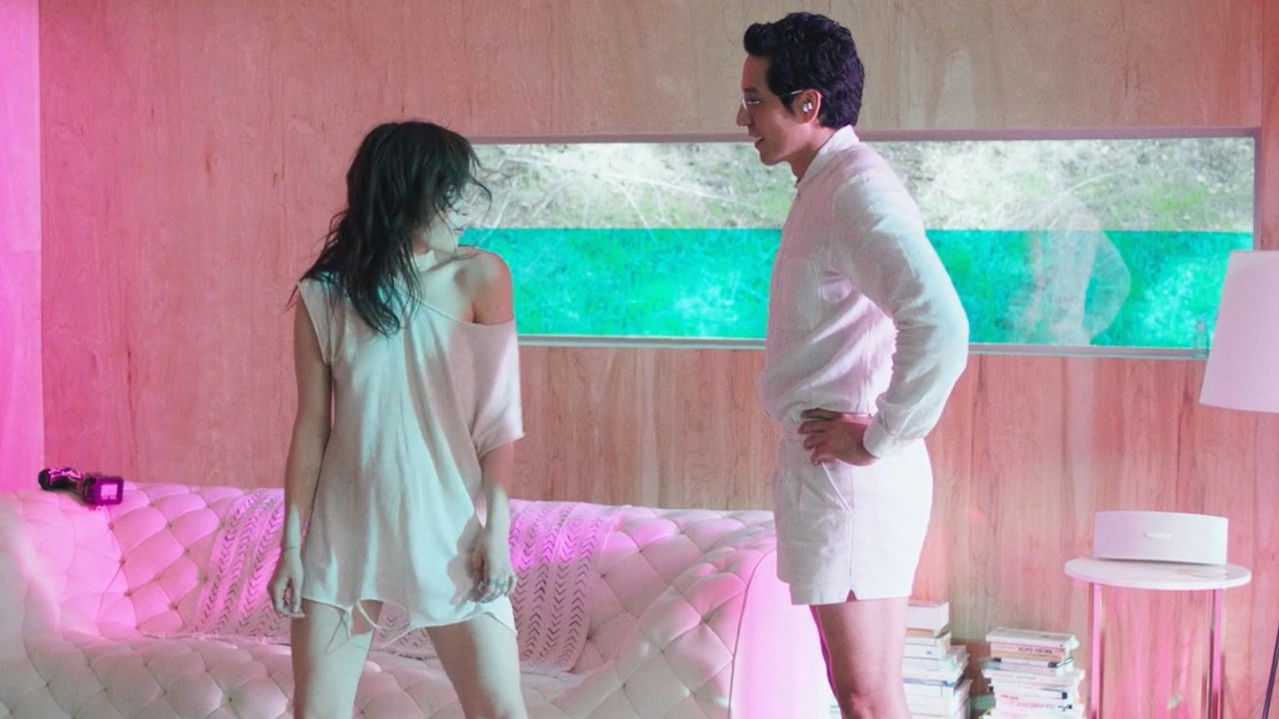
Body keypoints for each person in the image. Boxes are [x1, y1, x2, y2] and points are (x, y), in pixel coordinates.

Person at [736, 13, 969, 719]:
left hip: (852, 476)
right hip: (827, 470)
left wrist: (879, 437)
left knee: (867, 696)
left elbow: (941, 323)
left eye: (754, 101)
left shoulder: (856, 191)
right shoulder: (825, 185)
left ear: (807, 104)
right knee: (854, 692)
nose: (742, 119)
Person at [268, 121, 528, 719]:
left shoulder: (479, 276)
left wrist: (496, 530)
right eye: (448, 190)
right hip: (344, 531)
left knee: (501, 711)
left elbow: (499, 420)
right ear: (407, 191)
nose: (462, 205)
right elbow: (311, 428)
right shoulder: (325, 295)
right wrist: (291, 545)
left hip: (449, 529)